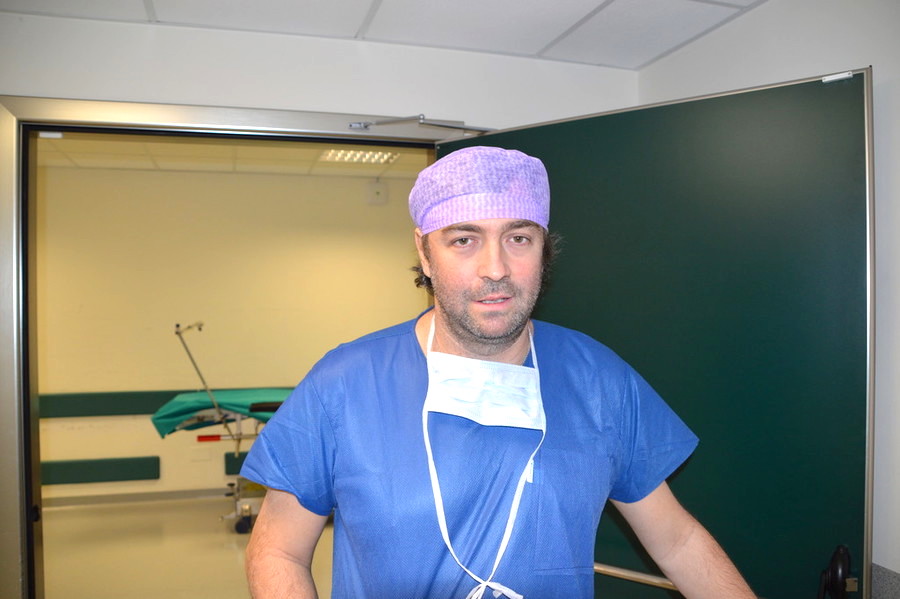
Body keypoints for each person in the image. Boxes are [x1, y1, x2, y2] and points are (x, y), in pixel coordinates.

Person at [241, 146, 756, 598]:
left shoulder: (599, 380)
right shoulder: (345, 384)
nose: (496, 269)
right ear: (424, 252)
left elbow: (678, 541)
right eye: (464, 240)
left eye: (518, 238)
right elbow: (278, 552)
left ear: (543, 249)